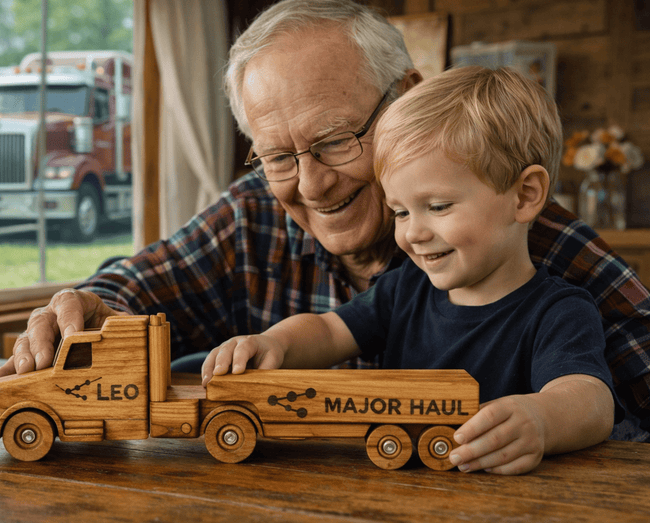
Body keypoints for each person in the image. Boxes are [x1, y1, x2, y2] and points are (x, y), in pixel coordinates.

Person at [0, 0, 650, 442]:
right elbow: (135, 289)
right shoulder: (253, 216)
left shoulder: (541, 244)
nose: (312, 184)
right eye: (278, 156)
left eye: (335, 140)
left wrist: (547, 420)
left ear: (405, 100)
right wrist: (85, 308)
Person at [200, 65, 620, 475]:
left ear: (525, 196)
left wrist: (542, 419)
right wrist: (275, 343)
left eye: (437, 206)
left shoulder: (559, 311)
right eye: (400, 212)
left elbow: (591, 399)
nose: (413, 234)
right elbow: (329, 331)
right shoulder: (405, 289)